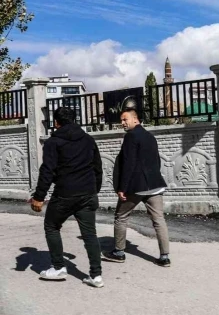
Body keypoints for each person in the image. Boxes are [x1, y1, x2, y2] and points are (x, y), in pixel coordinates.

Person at [30, 107, 104, 288]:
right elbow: (98, 167)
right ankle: (96, 275)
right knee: (90, 234)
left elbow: (47, 171)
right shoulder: (88, 140)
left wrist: (39, 196)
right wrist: (94, 190)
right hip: (88, 193)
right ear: (74, 120)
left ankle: (58, 267)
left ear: (56, 123)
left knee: (51, 225)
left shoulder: (53, 142)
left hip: (65, 194)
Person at [103, 108, 171, 267]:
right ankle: (165, 257)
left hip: (135, 187)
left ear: (135, 119)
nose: (122, 123)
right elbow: (157, 161)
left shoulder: (131, 137)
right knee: (159, 220)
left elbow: (129, 164)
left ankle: (119, 253)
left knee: (121, 217)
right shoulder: (150, 136)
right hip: (155, 185)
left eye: (125, 119)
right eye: (121, 120)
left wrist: (122, 188)